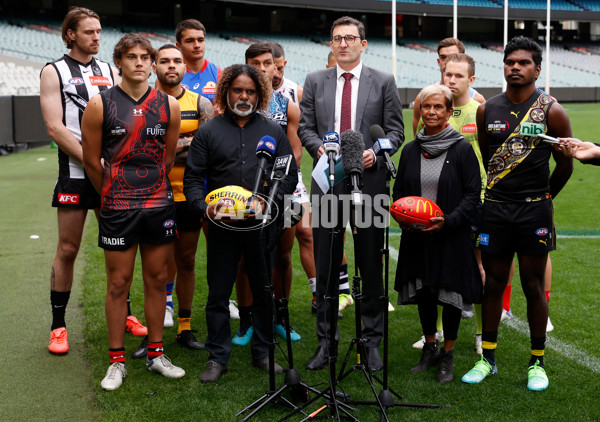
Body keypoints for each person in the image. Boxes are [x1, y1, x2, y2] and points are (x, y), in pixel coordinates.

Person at [462, 36, 573, 392]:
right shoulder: (486, 109)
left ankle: (537, 361)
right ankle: (488, 358)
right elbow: (487, 158)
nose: (515, 67)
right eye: (510, 61)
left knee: (533, 286)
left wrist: (543, 199)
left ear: (536, 69)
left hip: (533, 213)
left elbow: (566, 165)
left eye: (524, 62)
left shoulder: (551, 110)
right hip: (495, 209)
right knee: (492, 284)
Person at [299, 16, 404, 372]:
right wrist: (318, 151)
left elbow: (394, 131)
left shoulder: (384, 81)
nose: (343, 44)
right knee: (327, 267)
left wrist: (376, 151)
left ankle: (370, 341)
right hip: (327, 183)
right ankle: (327, 343)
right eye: (336, 38)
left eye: (349, 38)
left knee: (371, 264)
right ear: (331, 44)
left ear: (363, 43)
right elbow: (306, 128)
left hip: (370, 184)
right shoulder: (315, 80)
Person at [81, 33, 185, 390]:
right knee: (118, 283)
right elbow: (92, 161)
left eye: (145, 57)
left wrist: (150, 189)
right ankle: (116, 361)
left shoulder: (168, 105)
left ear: (152, 63)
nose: (140, 62)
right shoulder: (100, 104)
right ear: (119, 63)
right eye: (132, 57)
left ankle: (156, 354)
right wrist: (112, 193)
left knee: (157, 279)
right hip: (118, 206)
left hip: (158, 204)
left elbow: (167, 157)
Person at [40, 7, 146, 355]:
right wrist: (91, 158)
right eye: (89, 32)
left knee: (119, 246)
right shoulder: (53, 71)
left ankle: (127, 314)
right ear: (70, 34)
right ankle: (58, 325)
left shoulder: (108, 70)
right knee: (68, 249)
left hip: (109, 173)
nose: (97, 37)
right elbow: (55, 127)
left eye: (99, 32)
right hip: (75, 173)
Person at [183, 64, 297, 383]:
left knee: (263, 290)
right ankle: (218, 357)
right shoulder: (209, 131)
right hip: (222, 227)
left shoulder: (273, 131)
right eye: (237, 90)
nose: (244, 96)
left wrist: (270, 203)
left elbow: (288, 175)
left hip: (263, 226)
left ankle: (262, 352)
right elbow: (192, 178)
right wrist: (203, 209)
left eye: (250, 91)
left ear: (259, 94)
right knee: (218, 292)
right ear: (226, 92)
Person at [394, 84, 482, 383]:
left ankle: (448, 353)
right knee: (425, 292)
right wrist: (404, 218)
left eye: (438, 107)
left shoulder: (461, 149)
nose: (431, 112)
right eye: (426, 107)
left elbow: (472, 195)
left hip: (450, 233)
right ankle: (429, 346)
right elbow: (400, 193)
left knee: (450, 294)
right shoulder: (410, 150)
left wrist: (449, 220)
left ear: (447, 112)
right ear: (420, 111)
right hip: (418, 236)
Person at [132, 44, 215, 358]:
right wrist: (184, 142)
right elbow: (141, 149)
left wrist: (167, 142)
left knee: (187, 261)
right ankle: (153, 334)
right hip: (152, 194)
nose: (171, 66)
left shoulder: (201, 103)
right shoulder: (141, 104)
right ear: (154, 66)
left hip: (187, 195)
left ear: (185, 67)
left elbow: (202, 150)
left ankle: (184, 326)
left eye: (177, 61)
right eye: (164, 61)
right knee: (154, 268)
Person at [230, 43, 304, 346]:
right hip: (246, 193)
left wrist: (279, 185)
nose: (263, 68)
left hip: (284, 191)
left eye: (267, 63)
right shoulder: (235, 102)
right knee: (245, 259)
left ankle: (280, 317)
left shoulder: (288, 104)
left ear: (277, 67)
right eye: (256, 63)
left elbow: (296, 150)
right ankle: (246, 319)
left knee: (283, 256)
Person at [411, 37, 485, 137]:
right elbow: (418, 138)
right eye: (443, 57)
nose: (447, 61)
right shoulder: (423, 97)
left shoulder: (478, 101)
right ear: (438, 61)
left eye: (453, 56)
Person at [175, 19, 221, 103]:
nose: (197, 45)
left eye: (200, 40)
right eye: (190, 41)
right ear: (179, 46)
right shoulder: (170, 75)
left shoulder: (218, 74)